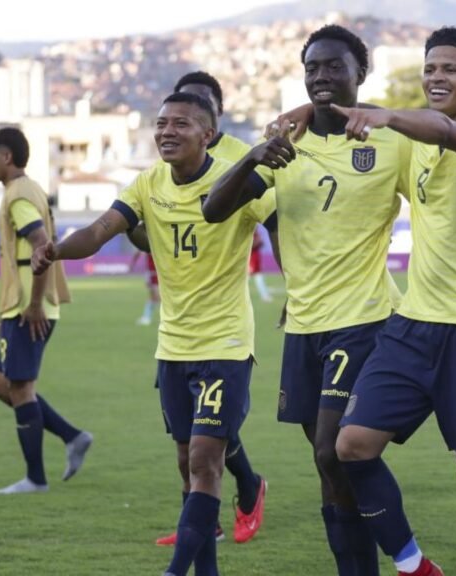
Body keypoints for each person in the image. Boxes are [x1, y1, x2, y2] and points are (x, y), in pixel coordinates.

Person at [205, 24, 456, 576]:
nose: (322, 76)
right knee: (330, 465)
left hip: (370, 317)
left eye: (335, 67)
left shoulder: (399, 140)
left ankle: (409, 563)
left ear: (361, 75)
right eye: (313, 68)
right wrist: (257, 154)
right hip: (304, 324)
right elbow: (214, 209)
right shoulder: (288, 143)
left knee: (339, 451)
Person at [32, 92, 286, 576]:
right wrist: (56, 250)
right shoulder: (148, 183)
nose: (167, 131)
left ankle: (174, 571)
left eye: (181, 124)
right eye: (161, 123)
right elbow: (100, 230)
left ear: (208, 134)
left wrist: (298, 284)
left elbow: (282, 228)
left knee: (205, 460)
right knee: (189, 466)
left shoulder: (238, 183)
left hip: (226, 344)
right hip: (173, 347)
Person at [323, 26, 456, 576]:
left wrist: (387, 114)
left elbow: (448, 131)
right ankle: (414, 567)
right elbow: (399, 126)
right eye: (430, 68)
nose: (437, 77)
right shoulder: (414, 143)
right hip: (412, 326)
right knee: (351, 445)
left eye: (450, 69)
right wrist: (300, 114)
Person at [147, 71, 270, 547]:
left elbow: (274, 217)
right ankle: (207, 522)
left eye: (195, 110)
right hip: (177, 330)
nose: (175, 125)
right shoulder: (166, 167)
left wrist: (297, 286)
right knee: (192, 442)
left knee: (207, 438)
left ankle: (237, 496)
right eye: (170, 116)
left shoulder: (240, 157)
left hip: (223, 328)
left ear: (214, 118)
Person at [0, 127, 92, 495]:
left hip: (30, 309)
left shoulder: (18, 196)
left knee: (20, 387)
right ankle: (73, 436)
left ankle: (35, 479)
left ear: (7, 157)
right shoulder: (27, 189)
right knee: (3, 386)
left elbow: (42, 245)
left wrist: (33, 305)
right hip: (18, 306)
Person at [130, 250, 161, 325]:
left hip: (156, 272)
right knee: (153, 296)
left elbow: (137, 252)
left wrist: (132, 263)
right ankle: (147, 317)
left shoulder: (153, 244)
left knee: (157, 296)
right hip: (153, 272)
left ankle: (150, 317)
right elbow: (138, 252)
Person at [249, 228, 273, 303]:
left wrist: (258, 241)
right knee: (255, 278)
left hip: (255, 259)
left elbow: (261, 243)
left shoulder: (255, 233)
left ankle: (265, 296)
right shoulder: (249, 234)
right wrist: (257, 242)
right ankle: (265, 296)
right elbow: (252, 245)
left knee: (258, 278)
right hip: (250, 260)